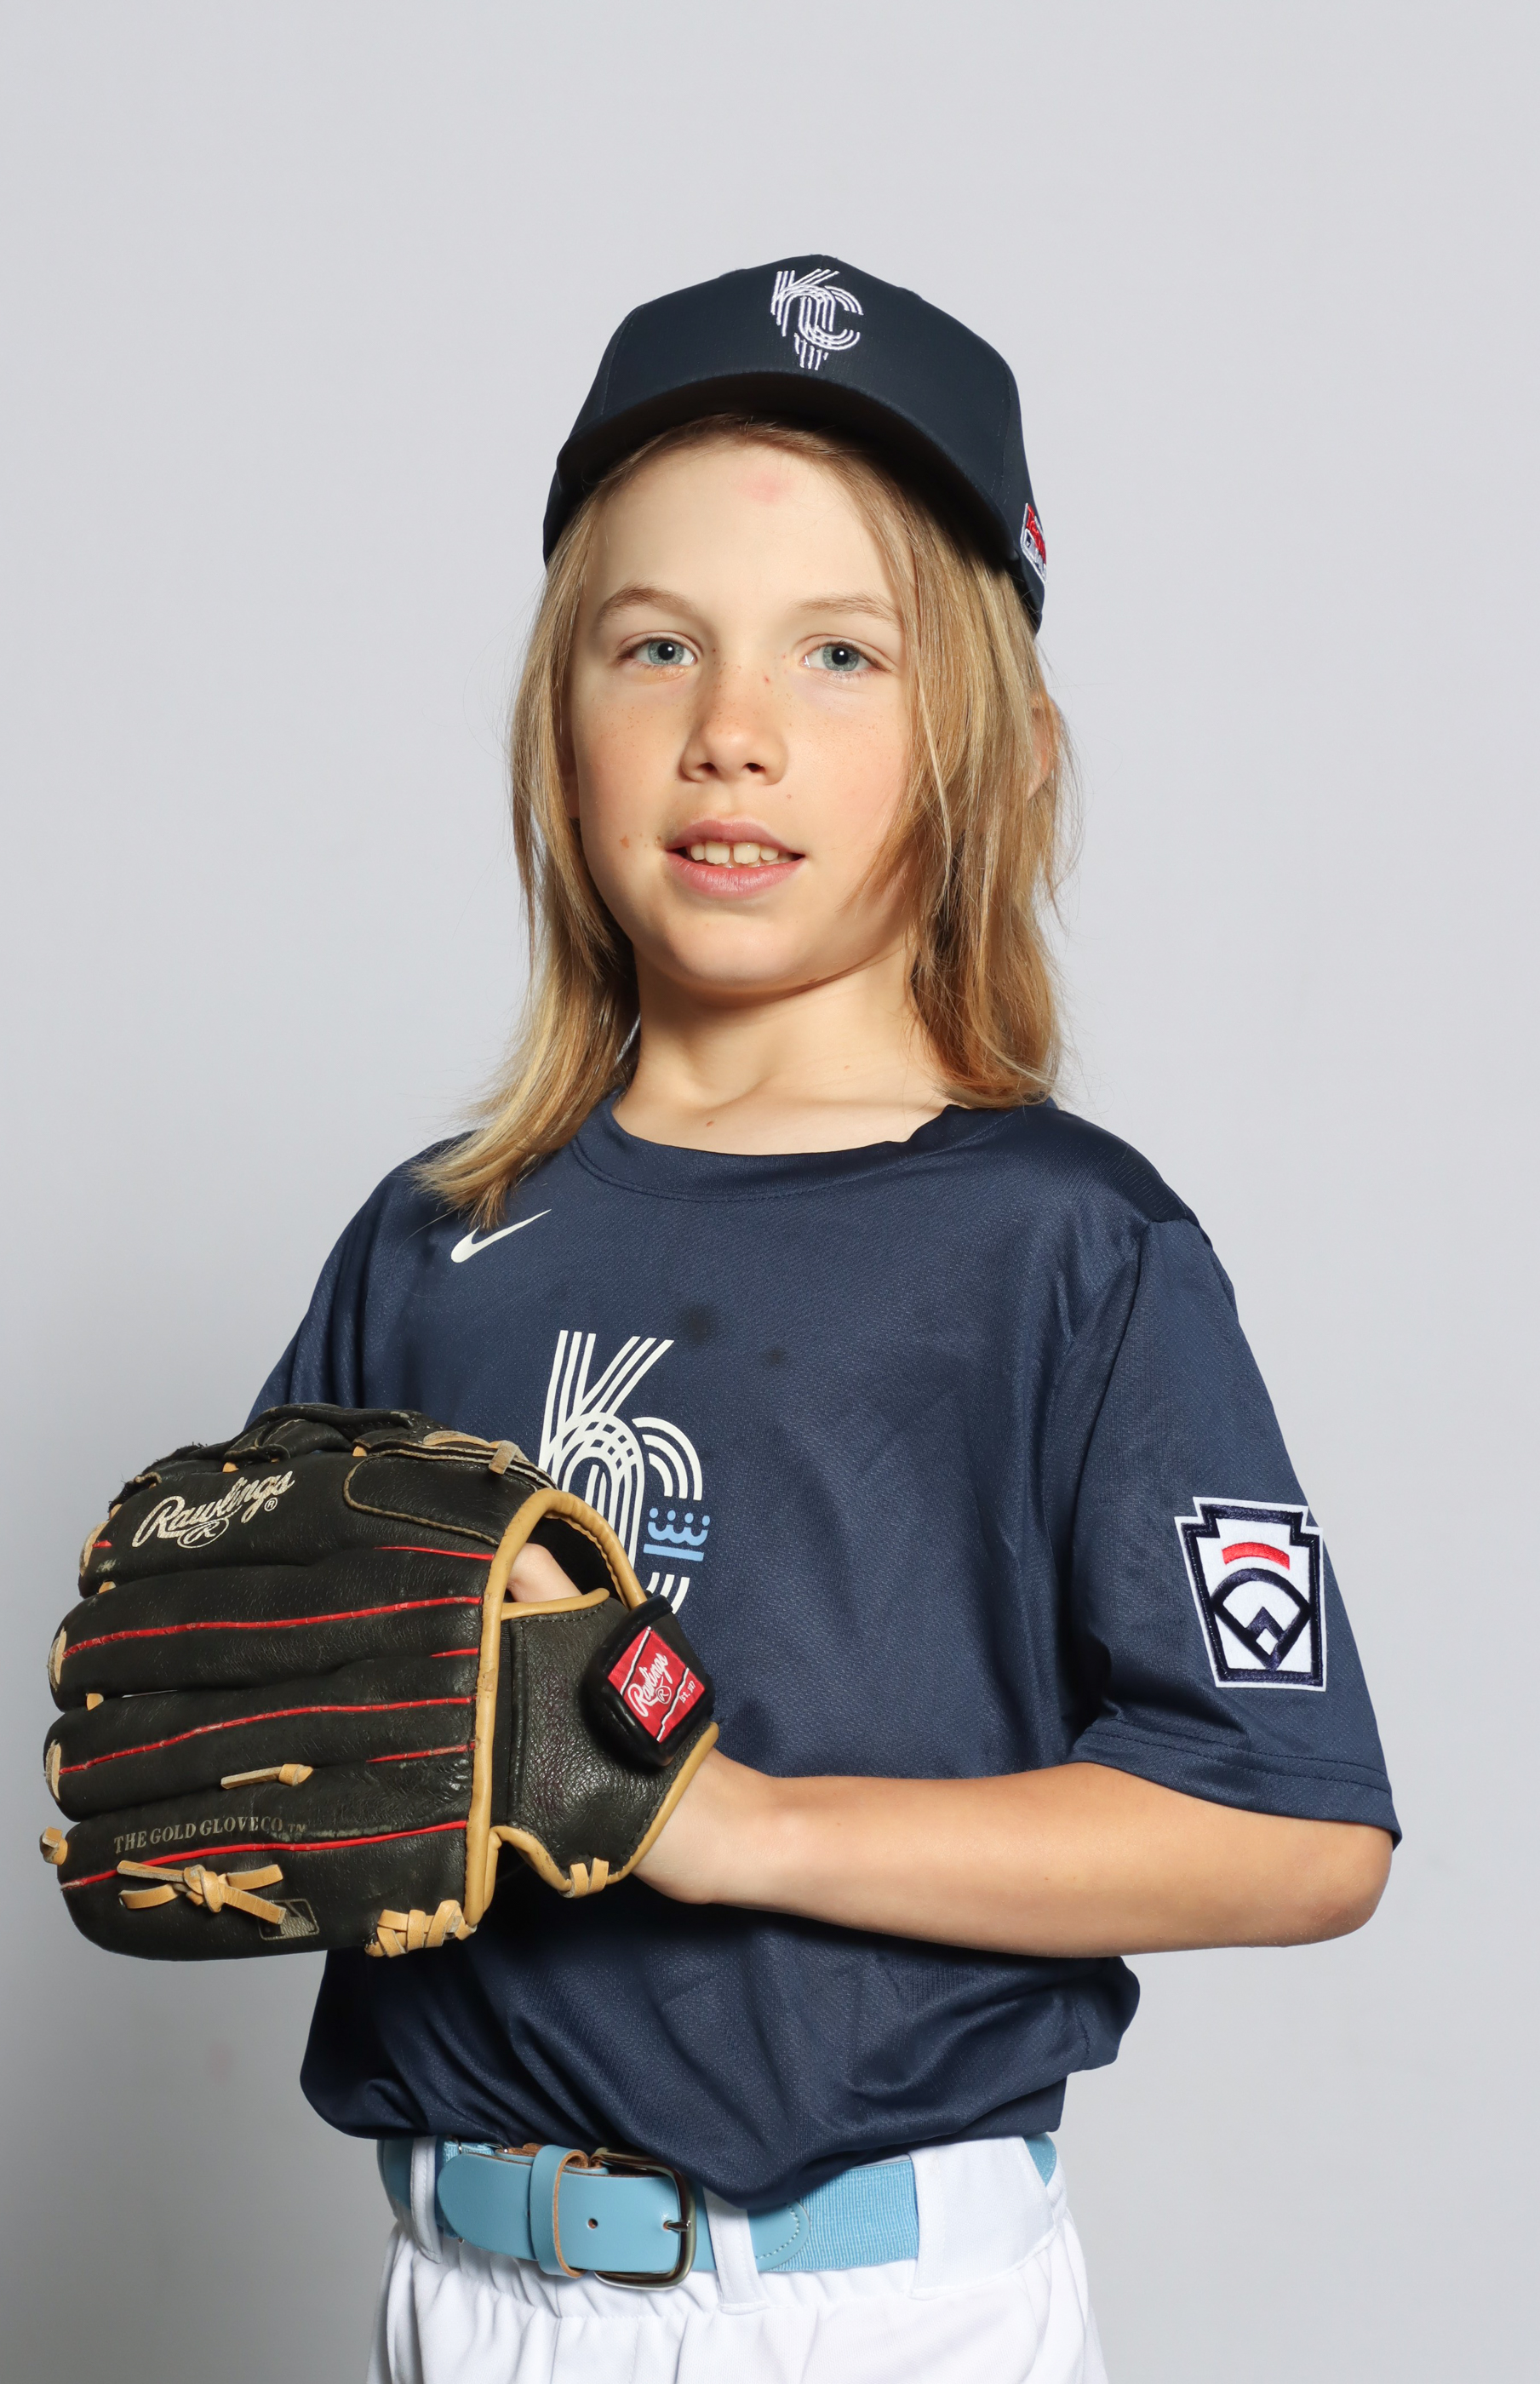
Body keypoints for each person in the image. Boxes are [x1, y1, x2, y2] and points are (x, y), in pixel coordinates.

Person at [255, 256, 1397, 2383]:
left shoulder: (1065, 1241)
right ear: (557, 725)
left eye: (841, 651)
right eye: (654, 642)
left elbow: (1294, 1824)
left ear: (994, 748)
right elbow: (281, 1747)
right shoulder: (431, 1239)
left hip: (866, 2303)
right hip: (463, 2290)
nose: (732, 726)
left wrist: (730, 1819)